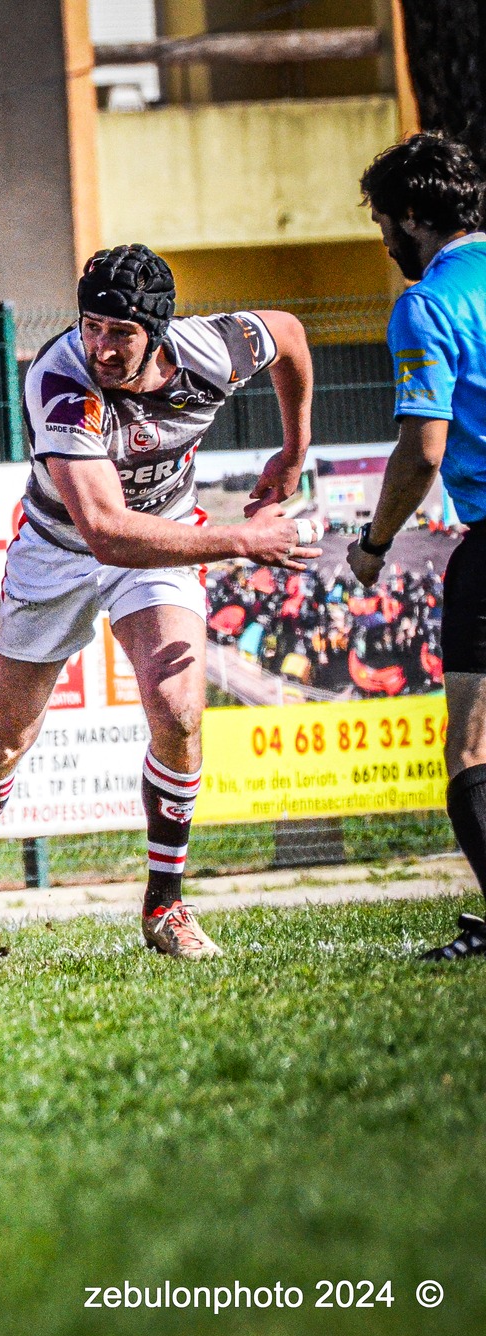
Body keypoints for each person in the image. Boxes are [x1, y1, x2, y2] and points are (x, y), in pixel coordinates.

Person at [0, 244, 319, 960]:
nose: (100, 348)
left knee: (178, 710)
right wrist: (242, 540)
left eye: (120, 333)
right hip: (61, 547)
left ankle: (164, 903)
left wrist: (292, 452)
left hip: (165, 534)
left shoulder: (213, 348)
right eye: (90, 326)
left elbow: (291, 337)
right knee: (3, 738)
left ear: (161, 332)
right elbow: (108, 533)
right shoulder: (60, 382)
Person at [346, 131, 486, 960]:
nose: (385, 242)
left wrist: (374, 541)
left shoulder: (428, 303)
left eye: (381, 223)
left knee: (471, 746)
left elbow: (423, 449)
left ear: (409, 218)